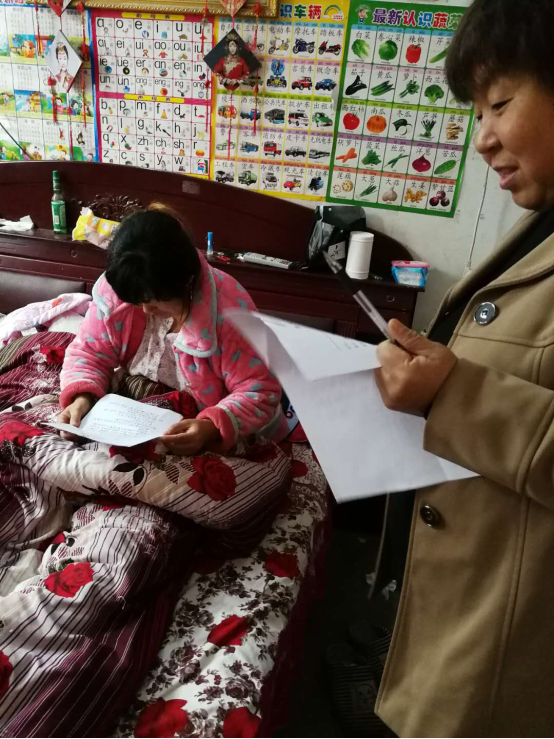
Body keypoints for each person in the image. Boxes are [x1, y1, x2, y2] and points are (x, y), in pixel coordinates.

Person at [368, 1, 554, 736]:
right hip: (469, 602)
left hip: (510, 653)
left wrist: (452, 391)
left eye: (499, 104)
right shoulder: (537, 228)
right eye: (477, 113)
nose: (483, 139)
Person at [58, 205, 288, 456]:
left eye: (154, 301)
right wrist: (82, 398)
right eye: (137, 301)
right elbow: (89, 352)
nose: (145, 310)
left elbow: (260, 390)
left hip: (208, 420)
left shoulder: (229, 313)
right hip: (140, 414)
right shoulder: (123, 287)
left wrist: (211, 426)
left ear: (185, 282)